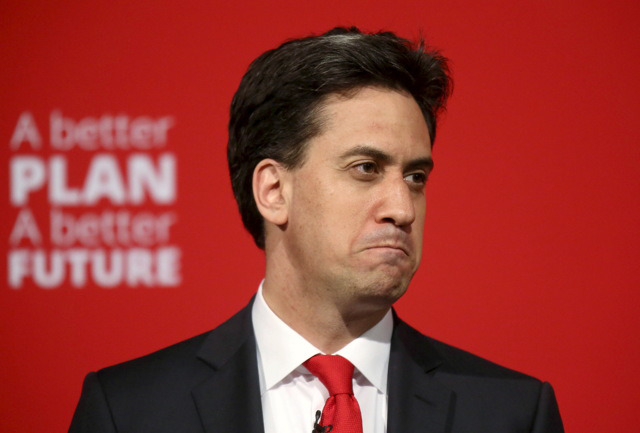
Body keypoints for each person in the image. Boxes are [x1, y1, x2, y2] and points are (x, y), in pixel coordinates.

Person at [69, 27, 564, 433]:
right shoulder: (129, 411)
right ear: (274, 191)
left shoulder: (513, 415)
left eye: (416, 177)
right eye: (366, 168)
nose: (403, 209)